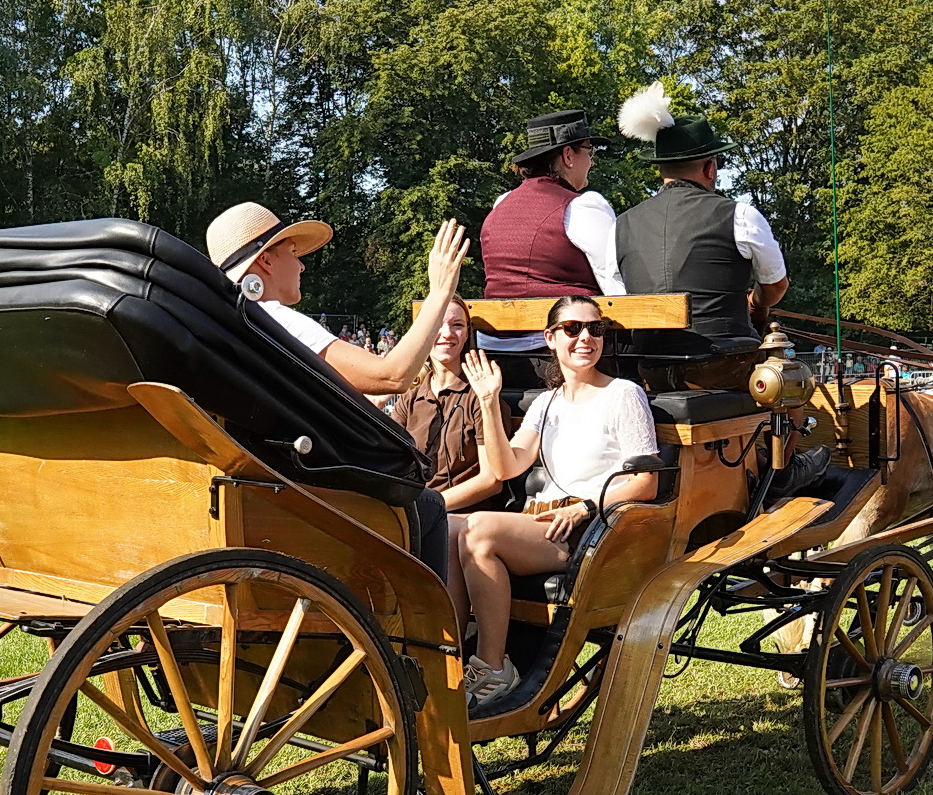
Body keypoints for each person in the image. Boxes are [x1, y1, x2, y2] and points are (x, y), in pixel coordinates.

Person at [205, 202, 470, 579]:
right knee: (428, 505)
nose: (302, 266)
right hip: (294, 497)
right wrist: (440, 290)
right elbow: (391, 375)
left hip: (247, 491)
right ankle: (424, 637)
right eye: (293, 254)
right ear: (265, 261)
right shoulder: (274, 319)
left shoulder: (226, 325)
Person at [450, 295, 659, 711]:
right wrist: (489, 402)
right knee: (447, 525)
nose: (585, 338)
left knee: (477, 531)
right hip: (543, 522)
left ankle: (494, 667)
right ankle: (451, 659)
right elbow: (508, 466)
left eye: (595, 329)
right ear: (550, 338)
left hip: (589, 529)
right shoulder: (545, 404)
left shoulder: (623, 394)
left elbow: (646, 481)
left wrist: (585, 506)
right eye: (572, 329)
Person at [611, 82, 790, 383]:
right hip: (723, 364)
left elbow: (616, 296)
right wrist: (756, 303)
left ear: (660, 169)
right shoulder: (740, 214)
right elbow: (775, 285)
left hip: (649, 367)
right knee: (792, 378)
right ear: (710, 168)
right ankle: (791, 431)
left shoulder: (622, 224)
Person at [478, 110, 622, 387]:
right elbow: (616, 284)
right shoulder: (584, 206)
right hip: (562, 362)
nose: (591, 162)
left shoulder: (501, 204)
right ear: (568, 155)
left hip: (495, 358)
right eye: (589, 152)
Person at [390, 296, 505, 518]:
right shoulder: (410, 398)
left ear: (467, 335)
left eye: (457, 325)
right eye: (436, 325)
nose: (447, 334)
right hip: (412, 512)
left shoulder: (482, 395)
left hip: (462, 518)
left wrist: (429, 506)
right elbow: (387, 459)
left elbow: (492, 480)